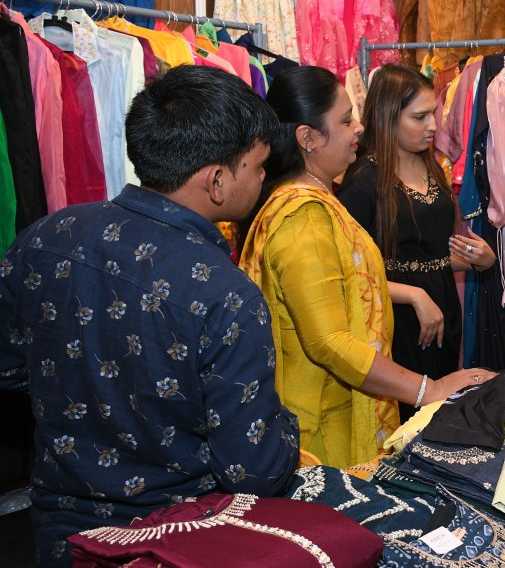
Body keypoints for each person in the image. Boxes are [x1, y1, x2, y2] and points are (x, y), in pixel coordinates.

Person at [0, 66, 301, 567]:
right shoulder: (227, 295)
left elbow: (9, 366)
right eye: (258, 166)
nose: (263, 178)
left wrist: (86, 393)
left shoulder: (46, 235)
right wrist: (286, 427)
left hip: (63, 531)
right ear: (217, 180)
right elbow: (252, 470)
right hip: (175, 540)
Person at [239, 65, 493, 467]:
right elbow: (328, 342)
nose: (359, 127)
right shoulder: (304, 216)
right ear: (308, 138)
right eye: (345, 120)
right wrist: (430, 389)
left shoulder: (316, 202)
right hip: (320, 427)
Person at [337, 64, 496, 419]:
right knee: (406, 416)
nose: (434, 126)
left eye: (433, 114)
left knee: (439, 413)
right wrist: (414, 295)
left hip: (441, 311)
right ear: (388, 117)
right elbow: (348, 271)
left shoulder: (432, 167)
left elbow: (429, 257)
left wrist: (478, 261)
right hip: (395, 317)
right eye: (419, 117)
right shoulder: (364, 180)